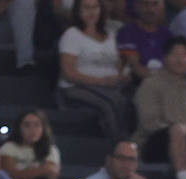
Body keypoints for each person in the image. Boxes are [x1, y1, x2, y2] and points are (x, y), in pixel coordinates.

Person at [134, 35, 186, 179]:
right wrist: (181, 133)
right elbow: (148, 123)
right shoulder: (151, 84)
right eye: (175, 55)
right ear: (165, 57)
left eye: (184, 55)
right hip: (153, 143)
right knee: (176, 130)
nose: (180, 60)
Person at [57, 0, 134, 141]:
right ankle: (118, 143)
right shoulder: (71, 35)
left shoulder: (111, 35)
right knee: (113, 102)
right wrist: (100, 81)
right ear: (78, 11)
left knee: (131, 97)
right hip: (78, 86)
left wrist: (122, 76)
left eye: (95, 7)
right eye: (86, 8)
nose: (91, 12)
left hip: (111, 85)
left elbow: (119, 64)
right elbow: (68, 73)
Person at [0, 109, 61, 179]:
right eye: (27, 125)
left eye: (37, 125)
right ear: (19, 127)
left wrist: (24, 174)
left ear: (43, 128)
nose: (32, 129)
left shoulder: (51, 150)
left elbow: (51, 176)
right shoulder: (8, 148)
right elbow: (10, 178)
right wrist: (42, 170)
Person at [116, 0, 172, 83]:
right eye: (145, 4)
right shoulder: (127, 32)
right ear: (137, 6)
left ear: (163, 7)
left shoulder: (168, 35)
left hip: (164, 86)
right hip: (133, 86)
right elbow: (135, 67)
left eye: (155, 4)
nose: (150, 9)